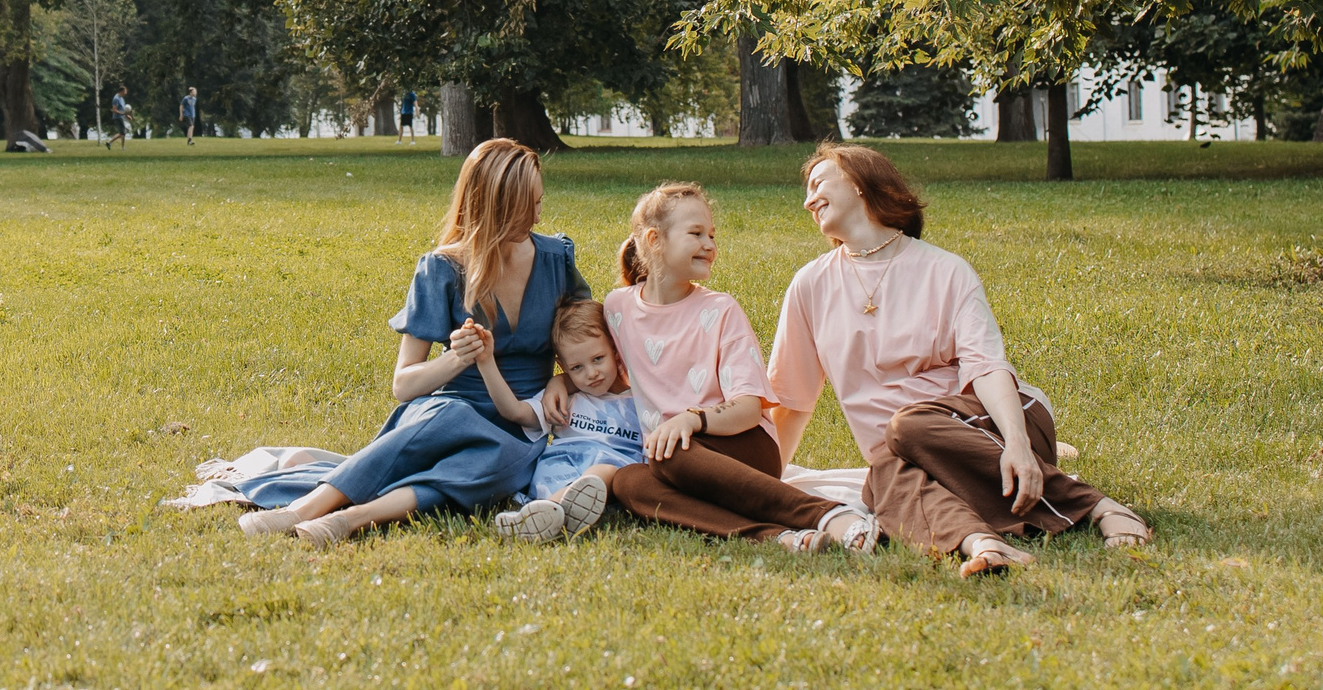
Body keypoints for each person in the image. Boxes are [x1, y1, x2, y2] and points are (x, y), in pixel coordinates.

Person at [765, 144, 1153, 577]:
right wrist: (763, 480)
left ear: (858, 182)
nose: (808, 200)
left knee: (907, 425)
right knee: (883, 477)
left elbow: (985, 367)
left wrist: (1018, 445)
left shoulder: (944, 270)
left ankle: (1097, 505)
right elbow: (791, 401)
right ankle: (982, 543)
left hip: (995, 425)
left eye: (818, 183)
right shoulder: (810, 285)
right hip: (905, 454)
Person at [237, 138, 591, 546]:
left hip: (519, 425)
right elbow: (403, 385)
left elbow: (594, 347)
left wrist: (561, 380)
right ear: (492, 206)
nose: (536, 215)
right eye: (524, 206)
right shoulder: (443, 268)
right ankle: (306, 509)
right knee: (451, 417)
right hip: (447, 412)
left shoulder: (556, 260)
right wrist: (456, 359)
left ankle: (350, 519)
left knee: (493, 465)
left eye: (539, 202)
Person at [576, 182, 871, 553]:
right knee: (629, 482)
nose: (710, 245)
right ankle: (778, 538)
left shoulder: (719, 310)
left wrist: (691, 420)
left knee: (670, 453)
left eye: (712, 235)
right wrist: (562, 385)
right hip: (673, 458)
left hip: (743, 445)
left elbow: (748, 408)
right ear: (654, 240)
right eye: (696, 233)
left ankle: (827, 515)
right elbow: (607, 370)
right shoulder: (618, 308)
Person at [478, 298, 639, 542]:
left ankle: (547, 514)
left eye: (598, 358)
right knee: (583, 478)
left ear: (616, 350)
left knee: (603, 471)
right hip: (557, 472)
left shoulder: (639, 401)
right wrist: (486, 362)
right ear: (562, 366)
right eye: (576, 367)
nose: (591, 373)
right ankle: (551, 513)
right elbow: (515, 412)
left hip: (606, 481)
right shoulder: (563, 399)